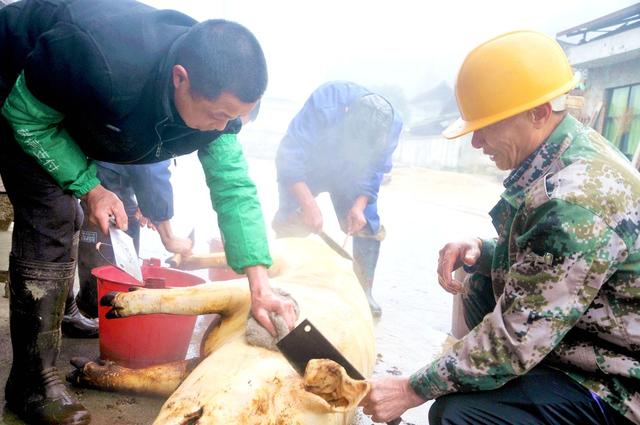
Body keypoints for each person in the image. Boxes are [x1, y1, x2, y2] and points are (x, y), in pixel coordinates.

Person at [0, 1, 296, 423]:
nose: (222, 126)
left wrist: (260, 284)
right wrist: (91, 187)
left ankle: (60, 311)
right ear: (181, 79)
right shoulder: (99, 60)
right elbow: (28, 119)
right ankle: (31, 384)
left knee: (76, 215)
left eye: (234, 118)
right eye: (218, 115)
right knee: (53, 215)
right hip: (20, 85)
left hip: (77, 104)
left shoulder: (217, 99)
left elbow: (233, 187)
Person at [361, 30, 640, 424]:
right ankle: (502, 385)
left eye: (487, 125)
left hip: (616, 385)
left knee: (459, 415)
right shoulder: (562, 155)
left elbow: (513, 340)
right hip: (579, 338)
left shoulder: (576, 201)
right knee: (477, 279)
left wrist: (410, 389)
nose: (476, 142)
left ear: (539, 112)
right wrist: (482, 249)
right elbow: (551, 267)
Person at [272, 81, 402, 318]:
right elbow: (289, 156)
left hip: (351, 175)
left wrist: (359, 206)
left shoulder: (392, 124)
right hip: (310, 167)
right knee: (292, 220)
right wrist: (308, 204)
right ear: (345, 114)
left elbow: (376, 169)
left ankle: (364, 291)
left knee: (367, 223)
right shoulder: (326, 101)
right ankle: (287, 282)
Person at [74, 159, 193, 322]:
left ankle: (92, 304)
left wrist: (146, 201)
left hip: (110, 163)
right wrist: (168, 236)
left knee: (114, 208)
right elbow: (151, 166)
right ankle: (100, 306)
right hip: (107, 171)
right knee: (107, 210)